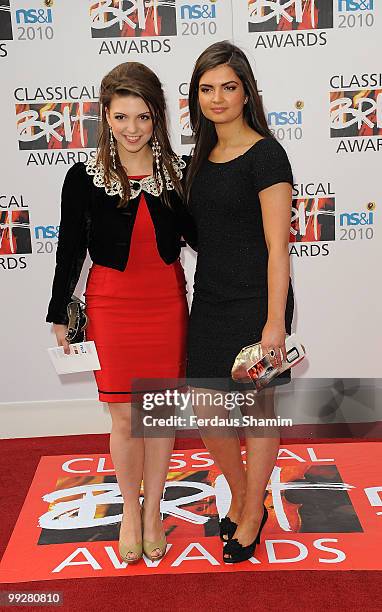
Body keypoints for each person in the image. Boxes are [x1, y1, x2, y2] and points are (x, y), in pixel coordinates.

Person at [46, 62, 196, 564]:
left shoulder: (179, 175)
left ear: (158, 119)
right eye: (121, 117)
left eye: (144, 117)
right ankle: (128, 511)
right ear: (105, 118)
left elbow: (206, 242)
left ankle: (153, 510)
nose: (132, 129)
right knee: (126, 420)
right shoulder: (83, 178)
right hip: (111, 310)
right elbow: (69, 252)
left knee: (158, 420)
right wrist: (58, 313)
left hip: (167, 308)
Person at [185, 41, 294, 563]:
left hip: (257, 303)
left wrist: (274, 323)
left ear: (247, 92)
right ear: (196, 95)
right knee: (210, 412)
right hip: (208, 300)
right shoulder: (197, 159)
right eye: (207, 88)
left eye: (229, 86)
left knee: (257, 413)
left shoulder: (267, 154)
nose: (217, 97)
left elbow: (279, 245)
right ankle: (249, 495)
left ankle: (250, 514)